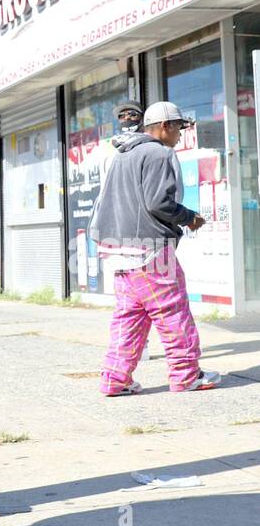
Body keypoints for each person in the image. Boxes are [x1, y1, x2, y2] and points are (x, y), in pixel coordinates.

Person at [90, 101, 222, 396]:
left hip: (119, 253)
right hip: (150, 251)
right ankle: (186, 375)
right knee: (173, 312)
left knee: (129, 318)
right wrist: (189, 217)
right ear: (165, 126)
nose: (181, 134)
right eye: (179, 127)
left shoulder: (121, 156)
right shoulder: (159, 153)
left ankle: (114, 379)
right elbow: (158, 202)